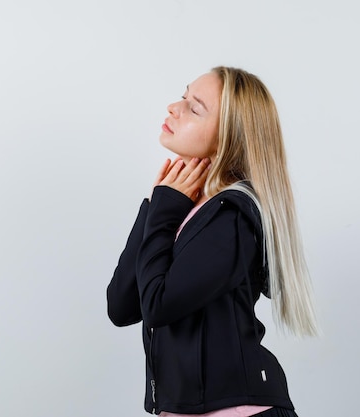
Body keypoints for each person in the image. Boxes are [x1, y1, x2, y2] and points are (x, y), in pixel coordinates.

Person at [106, 66, 318, 417]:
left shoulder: (234, 215)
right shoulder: (182, 207)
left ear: (228, 137)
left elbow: (159, 306)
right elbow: (122, 305)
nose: (175, 106)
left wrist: (163, 208)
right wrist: (158, 205)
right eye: (184, 95)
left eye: (195, 107)